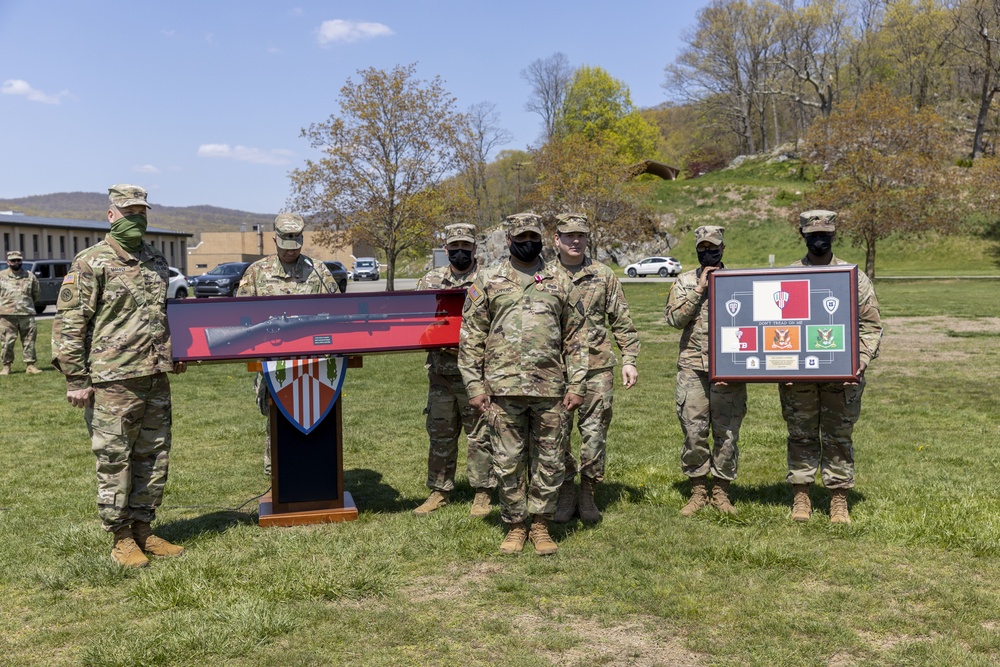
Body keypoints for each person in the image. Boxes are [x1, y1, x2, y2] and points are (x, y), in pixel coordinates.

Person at [52, 184, 187, 568]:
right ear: (111, 215)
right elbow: (69, 324)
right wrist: (76, 379)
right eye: (128, 212)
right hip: (112, 380)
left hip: (154, 376)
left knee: (154, 454)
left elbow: (165, 316)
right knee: (115, 458)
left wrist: (177, 353)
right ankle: (120, 537)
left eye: (141, 212)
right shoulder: (90, 262)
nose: (136, 218)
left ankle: (144, 528)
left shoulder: (155, 261)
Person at [460, 212, 587, 556]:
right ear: (509, 240)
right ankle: (516, 526)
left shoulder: (560, 280)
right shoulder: (487, 280)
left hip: (551, 388)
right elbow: (471, 337)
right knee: (508, 460)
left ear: (542, 238)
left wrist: (577, 384)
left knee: (550, 459)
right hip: (502, 388)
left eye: (533, 236)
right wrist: (474, 386)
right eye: (521, 238)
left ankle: (541, 525)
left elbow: (575, 338)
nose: (528, 242)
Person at [780, 210, 882, 524]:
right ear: (803, 235)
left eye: (825, 235)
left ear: (834, 235)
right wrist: (779, 367)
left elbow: (871, 327)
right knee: (801, 434)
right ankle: (802, 497)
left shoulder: (852, 276)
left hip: (844, 375)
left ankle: (838, 500)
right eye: (813, 236)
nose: (819, 241)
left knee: (838, 436)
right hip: (799, 376)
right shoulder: (789, 276)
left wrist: (860, 362)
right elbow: (776, 327)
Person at [548, 213, 639, 523]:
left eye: (581, 235)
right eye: (568, 235)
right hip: (555, 370)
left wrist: (629, 360)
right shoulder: (544, 276)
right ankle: (565, 491)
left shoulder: (603, 275)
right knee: (555, 435)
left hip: (596, 368)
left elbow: (622, 320)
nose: (575, 240)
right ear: (556, 239)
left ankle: (587, 493)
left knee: (595, 434)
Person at [236, 212, 338, 475]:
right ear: (274, 239)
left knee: (316, 418)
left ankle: (316, 475)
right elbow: (241, 318)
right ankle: (279, 479)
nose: (291, 251)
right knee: (277, 420)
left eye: (295, 244)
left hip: (315, 364)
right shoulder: (257, 272)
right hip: (273, 365)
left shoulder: (318, 270)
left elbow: (338, 310)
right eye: (285, 244)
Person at [412, 223, 495, 517]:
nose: (460, 252)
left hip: (477, 372)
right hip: (441, 372)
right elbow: (416, 321)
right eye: (455, 247)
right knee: (440, 432)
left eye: (466, 246)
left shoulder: (489, 279)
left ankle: (483, 492)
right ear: (446, 249)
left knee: (480, 433)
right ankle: (439, 490)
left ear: (475, 248)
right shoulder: (430, 280)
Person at [665, 225, 748, 516]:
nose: (707, 252)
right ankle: (698, 490)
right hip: (692, 368)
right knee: (693, 431)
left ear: (723, 249)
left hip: (729, 367)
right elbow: (674, 319)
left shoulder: (738, 281)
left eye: (713, 247)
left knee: (726, 433)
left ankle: (721, 492)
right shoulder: (684, 281)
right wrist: (700, 289)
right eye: (702, 248)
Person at [0, 250, 42, 375]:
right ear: (8, 262)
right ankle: (6, 366)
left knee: (29, 341)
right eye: (13, 260)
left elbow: (36, 294)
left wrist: (26, 304)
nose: (16, 262)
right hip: (7, 315)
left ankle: (30, 365)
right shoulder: (1, 276)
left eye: (18, 260)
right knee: (7, 342)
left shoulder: (30, 276)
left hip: (26, 314)